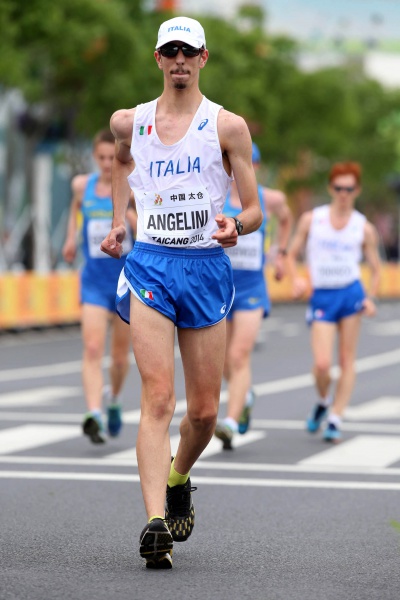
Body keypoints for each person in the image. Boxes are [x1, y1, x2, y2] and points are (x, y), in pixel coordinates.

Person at [100, 16, 263, 569]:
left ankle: (178, 478)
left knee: (205, 413)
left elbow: (254, 210)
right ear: (157, 59)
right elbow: (122, 158)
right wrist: (120, 220)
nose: (178, 61)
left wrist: (236, 226)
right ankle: (154, 524)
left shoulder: (227, 127)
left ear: (203, 58)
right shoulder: (130, 120)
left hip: (205, 266)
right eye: (169, 51)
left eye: (187, 52)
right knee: (158, 399)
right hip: (150, 265)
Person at [287, 161, 381, 443]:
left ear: (357, 191)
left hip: (350, 294)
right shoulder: (312, 219)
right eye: (339, 188)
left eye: (349, 189)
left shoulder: (363, 227)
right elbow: (291, 254)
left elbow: (376, 268)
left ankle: (336, 419)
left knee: (346, 360)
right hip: (323, 296)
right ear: (330, 188)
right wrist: (296, 280)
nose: (343, 194)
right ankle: (324, 401)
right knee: (322, 364)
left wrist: (370, 298)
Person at [214, 142, 292, 449]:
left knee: (238, 355)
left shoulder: (269, 198)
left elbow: (285, 218)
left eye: (249, 163)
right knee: (223, 362)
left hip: (252, 288)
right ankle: (245, 396)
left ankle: (231, 422)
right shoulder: (215, 197)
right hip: (220, 288)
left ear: (255, 166)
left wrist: (281, 254)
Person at [62, 129, 136, 444]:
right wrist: (70, 238)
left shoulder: (132, 186)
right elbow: (75, 208)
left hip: (124, 282)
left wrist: (129, 218)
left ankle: (114, 399)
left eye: (111, 157)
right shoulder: (82, 186)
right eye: (102, 157)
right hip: (93, 280)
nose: (107, 163)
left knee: (118, 358)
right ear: (95, 156)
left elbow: (145, 227)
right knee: (92, 348)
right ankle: (94, 413)